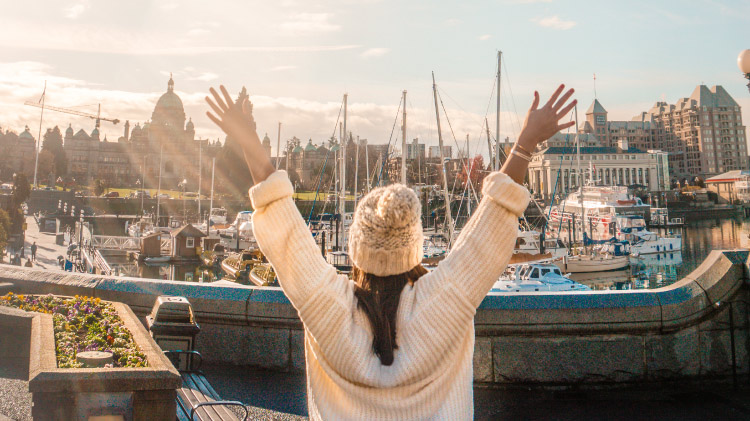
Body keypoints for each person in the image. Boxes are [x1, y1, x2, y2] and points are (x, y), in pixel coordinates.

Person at [206, 84, 575, 420]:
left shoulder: (329, 309)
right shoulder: (442, 304)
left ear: (356, 250)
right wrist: (525, 142)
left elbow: (286, 229)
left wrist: (248, 139)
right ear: (413, 249)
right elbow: (490, 225)